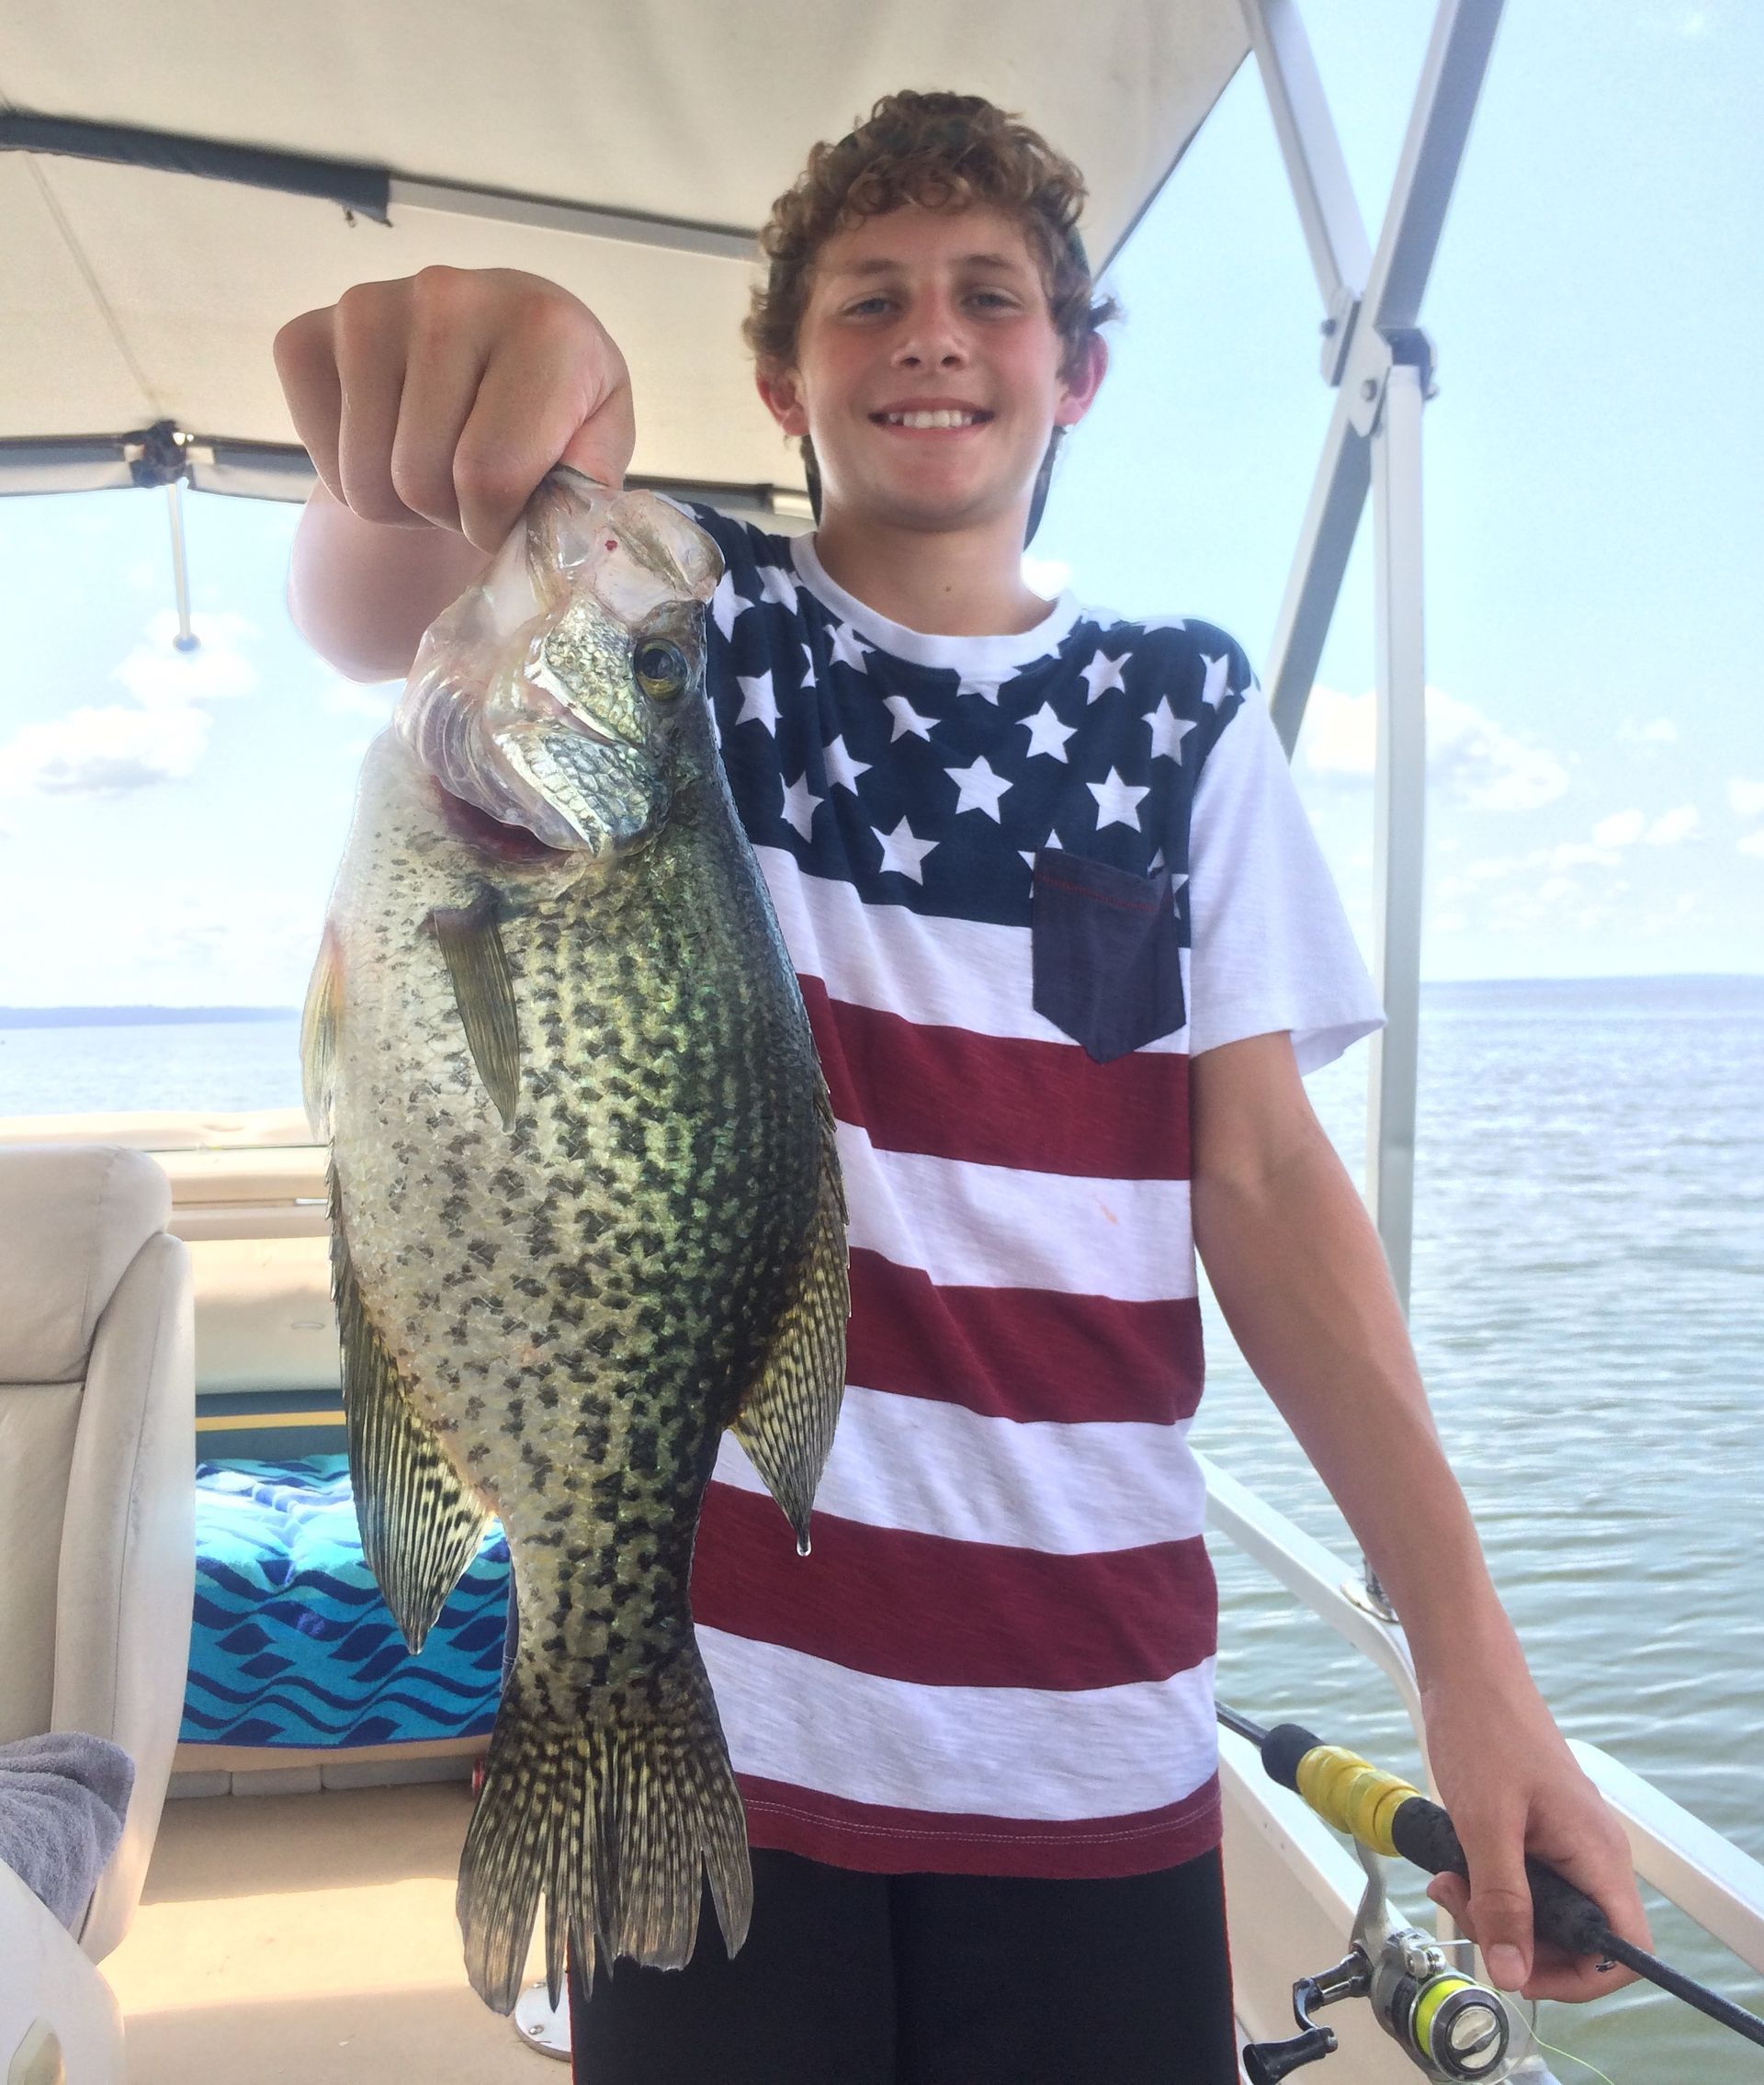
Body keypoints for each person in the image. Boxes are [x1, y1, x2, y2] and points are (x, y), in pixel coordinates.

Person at [276, 87, 1649, 2085]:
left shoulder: (1179, 710)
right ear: (780, 379)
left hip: (1090, 1719)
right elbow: (366, 602)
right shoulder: (695, 629)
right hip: (719, 1708)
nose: (931, 334)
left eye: (989, 296)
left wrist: (1474, 1665)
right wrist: (514, 385)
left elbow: (1268, 1182)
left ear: (1075, 373)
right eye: (869, 299)